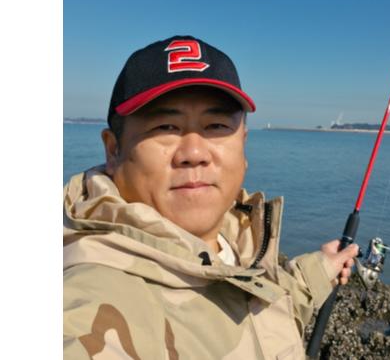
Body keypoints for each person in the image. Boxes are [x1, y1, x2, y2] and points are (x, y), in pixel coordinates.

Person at [63, 35, 358, 359]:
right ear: (113, 150)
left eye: (216, 125)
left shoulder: (235, 242)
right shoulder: (91, 296)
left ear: (244, 145)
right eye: (165, 126)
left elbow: (257, 311)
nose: (194, 153)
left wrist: (319, 269)